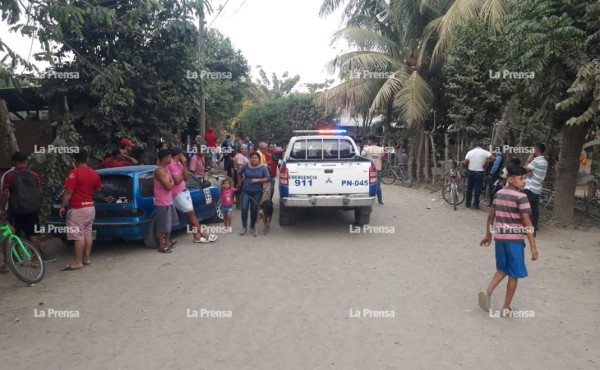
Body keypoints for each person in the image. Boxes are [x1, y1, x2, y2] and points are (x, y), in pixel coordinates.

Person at [479, 164, 538, 317]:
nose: (524, 181)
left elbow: (491, 217)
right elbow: (527, 223)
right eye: (521, 179)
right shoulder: (521, 197)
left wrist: (488, 234)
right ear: (511, 180)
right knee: (514, 274)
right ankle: (506, 308)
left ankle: (488, 291)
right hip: (514, 241)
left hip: (500, 238)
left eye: (525, 178)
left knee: (502, 269)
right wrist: (533, 246)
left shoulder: (498, 194)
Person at [0, 152, 55, 271]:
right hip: (32, 210)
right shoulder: (34, 175)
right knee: (32, 235)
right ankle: (35, 260)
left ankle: (7, 264)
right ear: (26, 162)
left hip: (16, 211)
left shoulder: (10, 175)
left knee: (9, 235)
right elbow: (40, 191)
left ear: (13, 162)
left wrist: (2, 209)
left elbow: (5, 193)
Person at [59, 149, 102, 270]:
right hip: (90, 208)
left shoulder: (74, 173)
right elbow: (98, 189)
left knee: (78, 236)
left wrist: (62, 206)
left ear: (75, 160)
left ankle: (77, 262)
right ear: (87, 159)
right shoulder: (94, 173)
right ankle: (86, 258)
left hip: (78, 208)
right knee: (87, 233)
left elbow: (68, 191)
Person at [168, 147, 218, 244]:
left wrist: (184, 165)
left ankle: (196, 236)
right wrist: (181, 176)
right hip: (177, 193)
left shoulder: (179, 164)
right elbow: (177, 181)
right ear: (179, 155)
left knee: (191, 215)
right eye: (182, 155)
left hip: (185, 190)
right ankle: (204, 234)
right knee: (191, 214)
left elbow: (186, 177)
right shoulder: (171, 165)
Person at [237, 152, 269, 236]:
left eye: (256, 158)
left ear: (259, 159)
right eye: (252, 158)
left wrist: (257, 180)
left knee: (253, 209)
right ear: (250, 158)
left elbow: (267, 178)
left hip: (257, 192)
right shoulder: (246, 165)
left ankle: (251, 226)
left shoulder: (263, 168)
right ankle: (244, 227)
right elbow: (239, 172)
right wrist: (240, 182)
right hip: (245, 190)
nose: (254, 159)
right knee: (244, 208)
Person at [154, 149, 178, 253]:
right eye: (169, 157)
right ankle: (162, 245)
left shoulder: (166, 168)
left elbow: (171, 181)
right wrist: (171, 182)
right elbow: (168, 186)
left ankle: (167, 242)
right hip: (162, 201)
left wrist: (171, 181)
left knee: (169, 223)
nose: (170, 159)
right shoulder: (159, 171)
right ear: (163, 158)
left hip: (168, 200)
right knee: (162, 224)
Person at [524, 143, 548, 236]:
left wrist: (528, 160)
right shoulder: (544, 162)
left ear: (537, 150)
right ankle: (532, 230)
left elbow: (523, 169)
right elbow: (529, 171)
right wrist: (530, 170)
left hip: (530, 187)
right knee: (534, 210)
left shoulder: (536, 161)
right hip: (537, 188)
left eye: (533, 149)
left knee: (526, 209)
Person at [462, 140, 495, 209]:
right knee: (477, 189)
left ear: (475, 145)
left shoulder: (470, 152)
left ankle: (468, 204)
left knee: (469, 188)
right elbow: (493, 158)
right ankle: (476, 204)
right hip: (480, 173)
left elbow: (465, 163)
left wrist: (468, 166)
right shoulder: (485, 152)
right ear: (482, 145)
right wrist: (487, 162)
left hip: (471, 172)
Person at [361, 136, 384, 205]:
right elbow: (383, 157)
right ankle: (380, 201)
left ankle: (370, 199)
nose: (368, 142)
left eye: (368, 140)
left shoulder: (366, 149)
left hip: (369, 170)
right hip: (378, 168)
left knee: (368, 185)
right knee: (378, 184)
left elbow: (362, 156)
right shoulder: (381, 149)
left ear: (370, 141)